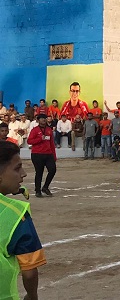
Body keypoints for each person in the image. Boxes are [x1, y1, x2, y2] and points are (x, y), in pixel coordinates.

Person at [0, 141, 46, 300]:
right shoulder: (16, 215)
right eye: (17, 168)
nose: (24, 173)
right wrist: (32, 296)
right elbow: (29, 272)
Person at [27, 114, 57, 198]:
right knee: (39, 172)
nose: (44, 120)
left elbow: (52, 143)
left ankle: (45, 187)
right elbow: (29, 141)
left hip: (48, 154)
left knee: (53, 170)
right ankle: (37, 190)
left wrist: (54, 156)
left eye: (45, 118)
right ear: (38, 120)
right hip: (37, 154)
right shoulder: (35, 130)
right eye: (42, 118)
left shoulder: (49, 130)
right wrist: (40, 138)